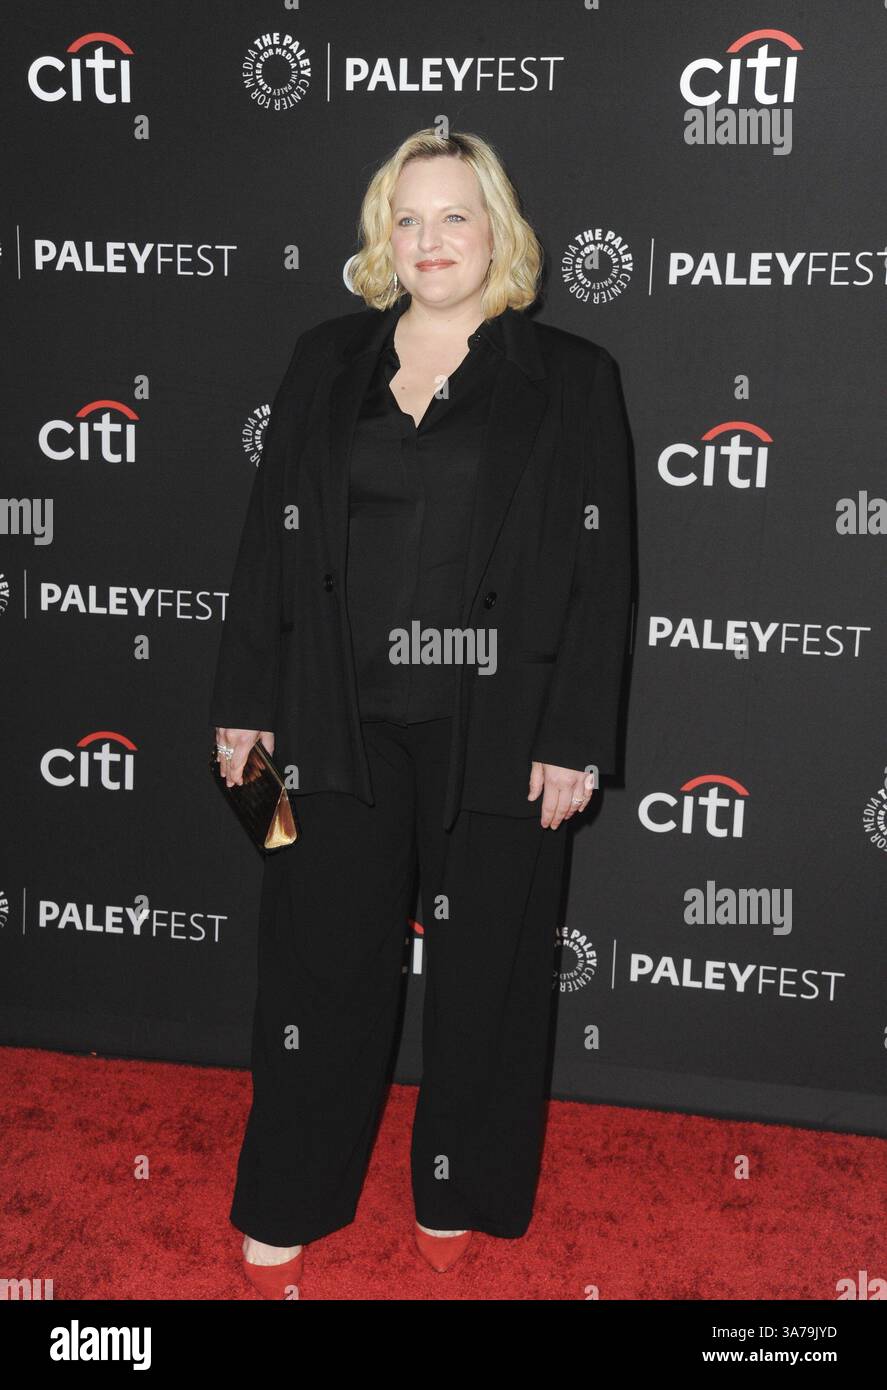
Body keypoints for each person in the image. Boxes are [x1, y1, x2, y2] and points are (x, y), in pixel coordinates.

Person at [210, 128, 634, 1299]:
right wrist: (243, 705)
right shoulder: (321, 360)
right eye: (407, 218)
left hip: (495, 733)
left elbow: (605, 580)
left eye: (454, 215)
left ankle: (456, 1186)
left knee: (485, 974)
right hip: (328, 726)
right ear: (378, 237)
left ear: (496, 230)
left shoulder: (572, 377)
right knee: (314, 973)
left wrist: (573, 736)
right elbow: (264, 546)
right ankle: (290, 1193)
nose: (429, 239)